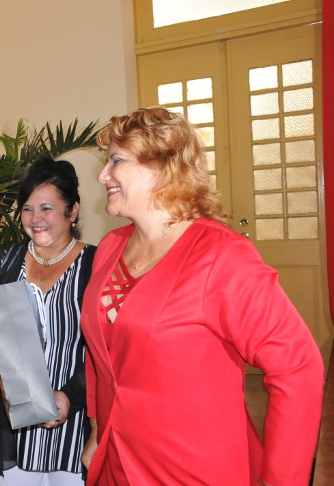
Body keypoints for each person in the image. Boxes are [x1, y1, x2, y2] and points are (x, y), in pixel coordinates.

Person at [80, 106, 324, 485]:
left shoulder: (221, 256)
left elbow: (298, 369)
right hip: (116, 461)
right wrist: (98, 431)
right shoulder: (111, 248)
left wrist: (282, 479)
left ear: (163, 167)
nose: (102, 175)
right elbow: (99, 354)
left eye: (116, 161)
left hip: (192, 469)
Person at [0, 157, 96, 486]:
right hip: (17, 421)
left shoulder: (96, 263)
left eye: (47, 208)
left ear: (73, 211)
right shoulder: (6, 261)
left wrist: (69, 396)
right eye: (27, 208)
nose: (35, 219)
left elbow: (106, 349)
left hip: (75, 423)